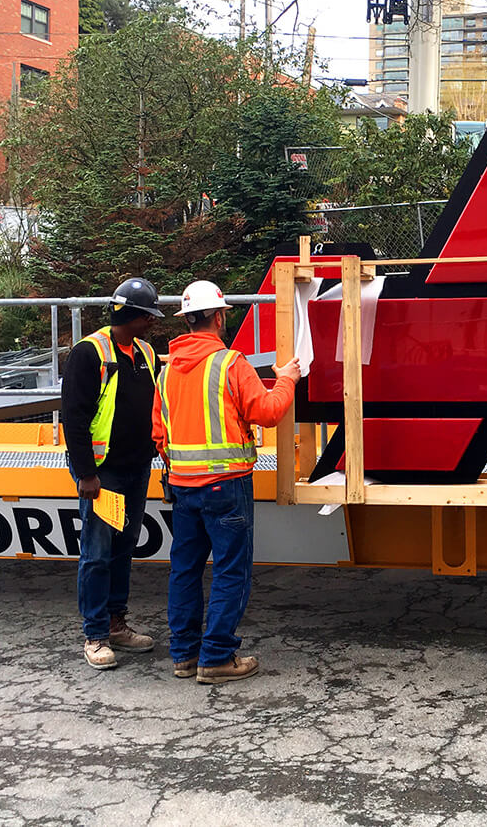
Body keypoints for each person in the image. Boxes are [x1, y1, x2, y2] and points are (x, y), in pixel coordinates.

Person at [154, 279, 302, 684]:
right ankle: (217, 657)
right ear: (219, 317)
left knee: (184, 569)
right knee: (230, 571)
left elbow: (160, 434)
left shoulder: (166, 372)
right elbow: (269, 412)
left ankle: (184, 655)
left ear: (187, 321)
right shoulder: (229, 364)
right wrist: (286, 378)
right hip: (226, 486)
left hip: (182, 487)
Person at [60, 276, 164, 670]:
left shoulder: (146, 353)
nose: (152, 323)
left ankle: (116, 622)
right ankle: (96, 634)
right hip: (102, 474)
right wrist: (86, 473)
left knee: (123, 548)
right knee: (98, 553)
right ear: (127, 315)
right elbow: (74, 417)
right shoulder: (90, 353)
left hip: (136, 467)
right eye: (146, 317)